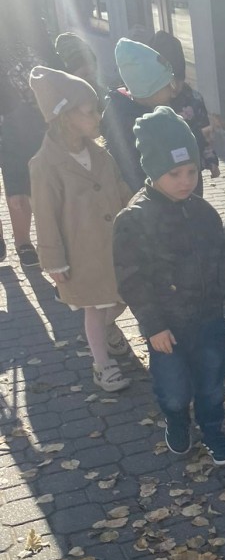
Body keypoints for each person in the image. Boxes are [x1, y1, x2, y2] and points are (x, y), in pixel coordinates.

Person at [113, 107, 225, 466]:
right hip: (166, 328)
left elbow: (222, 253)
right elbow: (131, 278)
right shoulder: (134, 219)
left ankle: (213, 430)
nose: (185, 182)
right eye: (174, 174)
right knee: (174, 389)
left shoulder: (203, 211)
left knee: (211, 383)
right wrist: (153, 325)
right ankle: (177, 420)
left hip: (209, 318)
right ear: (152, 171)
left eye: (191, 171)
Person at [28, 66, 133, 392]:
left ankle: (108, 329)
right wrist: (53, 260)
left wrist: (139, 211)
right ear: (65, 117)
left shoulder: (100, 154)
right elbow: (44, 215)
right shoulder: (45, 165)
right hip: (81, 254)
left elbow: (120, 188)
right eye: (89, 112)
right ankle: (102, 364)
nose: (97, 117)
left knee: (121, 298)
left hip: (114, 245)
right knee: (95, 308)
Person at [0, 0, 55, 265]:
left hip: (14, 80)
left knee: (19, 159)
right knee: (19, 157)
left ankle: (23, 241)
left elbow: (33, 19)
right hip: (15, 79)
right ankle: (19, 241)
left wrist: (51, 68)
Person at [101, 38, 177, 194]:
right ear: (148, 90)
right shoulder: (127, 125)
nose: (173, 90)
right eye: (167, 85)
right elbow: (133, 172)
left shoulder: (149, 111)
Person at [149, 29, 220, 195]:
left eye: (178, 81)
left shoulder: (193, 99)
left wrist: (211, 159)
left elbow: (205, 132)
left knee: (193, 205)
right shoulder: (149, 102)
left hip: (191, 172)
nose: (174, 89)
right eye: (169, 83)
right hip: (163, 175)